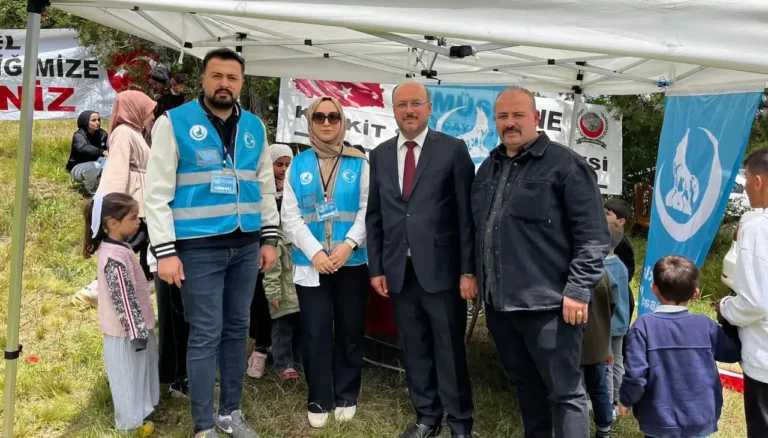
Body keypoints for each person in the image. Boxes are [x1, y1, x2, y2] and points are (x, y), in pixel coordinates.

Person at [145, 48, 279, 438]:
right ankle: (204, 426)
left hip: (246, 245)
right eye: (217, 76)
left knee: (237, 329)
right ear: (202, 79)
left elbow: (264, 184)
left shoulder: (254, 126)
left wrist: (269, 237)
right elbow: (156, 192)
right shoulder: (173, 122)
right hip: (198, 247)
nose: (224, 84)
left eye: (232, 77)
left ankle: (230, 414)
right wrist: (165, 251)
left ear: (241, 83)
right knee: (205, 332)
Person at [472, 87, 610, 438]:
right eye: (502, 116)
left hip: (551, 307)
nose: (510, 122)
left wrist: (577, 290)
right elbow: (480, 230)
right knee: (526, 385)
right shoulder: (488, 167)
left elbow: (594, 237)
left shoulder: (565, 165)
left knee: (565, 393)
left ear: (535, 118)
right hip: (500, 306)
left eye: (518, 115)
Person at [366, 82, 476, 438]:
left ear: (429, 108)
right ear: (393, 111)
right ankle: (427, 417)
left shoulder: (453, 149)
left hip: (443, 272)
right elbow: (375, 216)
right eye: (402, 105)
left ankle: (460, 424)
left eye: (415, 103)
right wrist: (377, 267)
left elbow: (466, 216)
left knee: (449, 351)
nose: (409, 110)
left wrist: (468, 270)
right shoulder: (380, 154)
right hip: (399, 272)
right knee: (413, 349)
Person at [282, 96, 369, 428]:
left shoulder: (360, 163)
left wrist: (348, 245)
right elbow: (290, 217)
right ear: (310, 122)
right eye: (319, 117)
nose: (327, 122)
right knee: (316, 330)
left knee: (350, 328)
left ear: (342, 121)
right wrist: (316, 253)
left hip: (352, 260)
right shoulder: (298, 164)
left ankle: (346, 393)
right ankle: (319, 397)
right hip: (311, 263)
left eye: (333, 116)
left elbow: (368, 209)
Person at [620, 255, 741, 438]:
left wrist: (625, 400)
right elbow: (732, 353)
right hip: (699, 418)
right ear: (695, 294)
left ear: (653, 288)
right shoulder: (705, 325)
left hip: (658, 420)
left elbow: (636, 375)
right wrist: (729, 320)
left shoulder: (643, 326)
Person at [84, 192, 157, 437]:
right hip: (127, 333)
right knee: (127, 378)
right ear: (113, 223)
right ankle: (130, 425)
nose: (139, 221)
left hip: (134, 329)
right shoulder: (114, 258)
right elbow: (123, 299)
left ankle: (140, 413)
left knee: (138, 373)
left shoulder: (120, 249)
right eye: (133, 217)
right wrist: (137, 332)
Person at [718, 148, 768, 437]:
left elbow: (756, 302)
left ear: (758, 181)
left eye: (746, 178)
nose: (746, 185)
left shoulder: (758, 227)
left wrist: (725, 306)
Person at [97, 90, 157, 282]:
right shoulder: (124, 133)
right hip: (134, 196)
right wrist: (117, 203)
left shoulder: (135, 133)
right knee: (131, 241)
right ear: (135, 109)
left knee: (144, 240)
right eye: (148, 110)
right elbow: (117, 168)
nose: (152, 116)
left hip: (143, 196)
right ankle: (102, 282)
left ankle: (143, 279)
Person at [263, 144, 302, 381]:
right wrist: (273, 291)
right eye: (279, 164)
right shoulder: (265, 190)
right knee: (282, 327)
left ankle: (297, 360)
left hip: (296, 276)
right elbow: (272, 271)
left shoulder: (295, 187)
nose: (284, 169)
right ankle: (282, 362)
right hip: (273, 246)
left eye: (288, 165)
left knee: (298, 324)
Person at [580, 269, 615, 438]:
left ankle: (578, 429)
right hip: (598, 341)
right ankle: (604, 428)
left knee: (575, 392)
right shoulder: (600, 271)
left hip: (574, 343)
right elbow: (611, 305)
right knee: (599, 388)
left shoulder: (563, 269)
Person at [604, 216, 630, 414]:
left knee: (606, 363)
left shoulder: (601, 268)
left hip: (607, 324)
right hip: (621, 322)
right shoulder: (621, 265)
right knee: (618, 361)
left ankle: (607, 404)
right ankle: (618, 399)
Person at [67, 110, 109, 194]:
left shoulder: (102, 134)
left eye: (98, 120)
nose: (97, 122)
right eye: (93, 120)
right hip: (78, 167)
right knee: (94, 167)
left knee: (111, 161)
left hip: (97, 163)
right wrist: (101, 151)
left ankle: (103, 187)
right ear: (85, 121)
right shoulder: (78, 135)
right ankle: (90, 190)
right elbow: (83, 147)